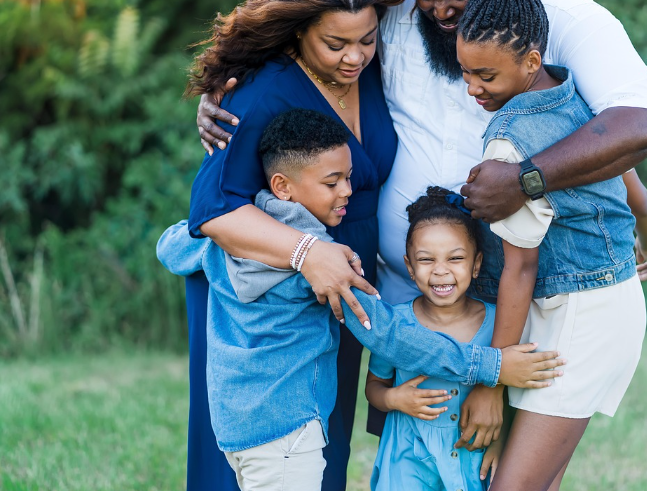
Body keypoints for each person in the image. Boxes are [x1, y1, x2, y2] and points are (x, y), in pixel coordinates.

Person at [196, 0, 647, 462]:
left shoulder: (566, 21)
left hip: (501, 293)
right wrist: (225, 78)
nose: (440, 11)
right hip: (398, 291)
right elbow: (307, 3)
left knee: (486, 458)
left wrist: (525, 181)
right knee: (412, 450)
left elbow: (641, 125)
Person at [158, 110, 563, 491]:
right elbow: (387, 335)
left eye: (349, 177)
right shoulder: (324, 264)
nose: (348, 191)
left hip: (235, 427)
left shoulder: (226, 238)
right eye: (332, 182)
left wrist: (214, 235)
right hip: (289, 429)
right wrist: (491, 365)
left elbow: (170, 247)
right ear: (283, 185)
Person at [182, 0, 413, 491]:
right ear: (296, 33)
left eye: (366, 39)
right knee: (260, 445)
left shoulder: (372, 74)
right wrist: (309, 253)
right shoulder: (260, 94)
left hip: (342, 277)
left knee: (320, 446)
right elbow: (212, 212)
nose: (354, 57)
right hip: (266, 292)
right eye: (335, 44)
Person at [454, 0, 647, 491]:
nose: (472, 87)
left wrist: (491, 382)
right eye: (465, 71)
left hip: (578, 323)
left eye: (486, 75)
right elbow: (634, 187)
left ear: (529, 59)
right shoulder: (573, 96)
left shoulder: (508, 143)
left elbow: (520, 271)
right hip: (601, 308)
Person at [366, 186, 508, 491]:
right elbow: (374, 387)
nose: (441, 271)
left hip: (474, 456)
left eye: (455, 258)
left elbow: (512, 396)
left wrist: (501, 443)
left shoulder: (500, 322)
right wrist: (393, 399)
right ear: (410, 267)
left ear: (477, 263)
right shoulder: (395, 324)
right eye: (427, 260)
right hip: (408, 459)